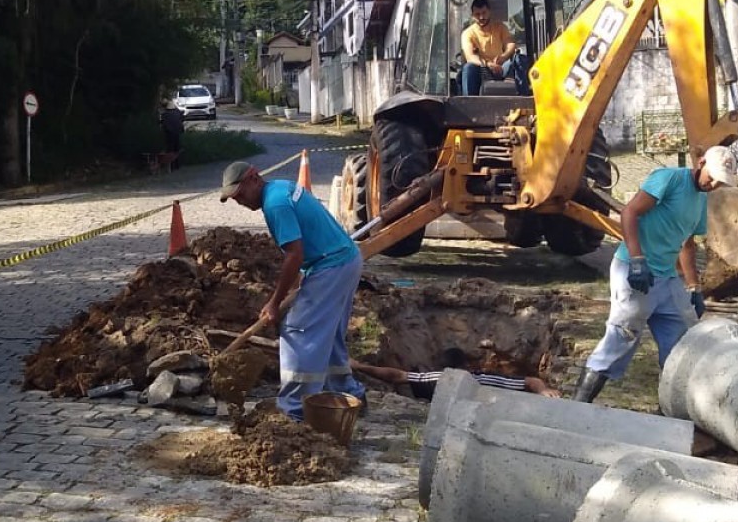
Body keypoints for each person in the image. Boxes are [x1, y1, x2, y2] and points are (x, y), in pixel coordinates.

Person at [573, 142, 738, 403]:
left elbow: (686, 244)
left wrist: (693, 287)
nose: (713, 186)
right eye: (712, 178)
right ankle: (578, 405)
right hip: (634, 272)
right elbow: (630, 212)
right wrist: (637, 259)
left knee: (684, 341)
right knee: (622, 337)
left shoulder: (700, 201)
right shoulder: (669, 179)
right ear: (700, 165)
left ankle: (672, 408)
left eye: (720, 182)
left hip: (666, 279)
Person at [220, 160, 366, 421]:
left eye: (240, 194)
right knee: (328, 335)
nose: (239, 201)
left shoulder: (275, 204)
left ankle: (293, 411)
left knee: (298, 331)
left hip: (330, 265)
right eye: (234, 198)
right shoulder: (280, 188)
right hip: (343, 260)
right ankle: (347, 393)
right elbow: (304, 246)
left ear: (254, 177)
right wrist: (298, 284)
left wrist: (274, 303)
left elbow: (294, 255)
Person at [353, 346, 561, 400]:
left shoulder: (437, 379)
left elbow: (398, 376)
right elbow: (396, 376)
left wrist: (544, 390)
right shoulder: (481, 378)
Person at [458, 0, 529, 95]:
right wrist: (488, 64)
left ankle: (523, 99)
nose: (481, 17)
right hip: (482, 69)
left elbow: (510, 44)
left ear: (489, 12)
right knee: (468, 68)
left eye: (484, 13)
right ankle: (469, 103)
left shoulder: (500, 27)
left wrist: (504, 57)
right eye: (477, 14)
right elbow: (470, 57)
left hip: (502, 66)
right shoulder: (468, 33)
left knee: (520, 59)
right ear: (472, 15)